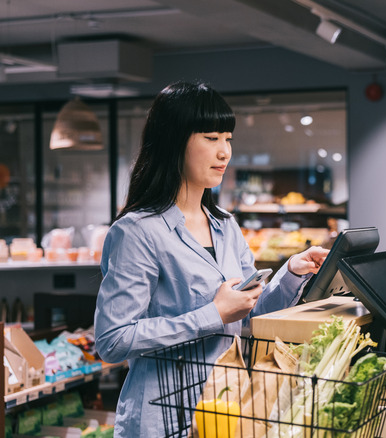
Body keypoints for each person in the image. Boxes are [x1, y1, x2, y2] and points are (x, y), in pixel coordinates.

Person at [94, 81, 329, 437]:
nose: (224, 153)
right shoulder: (137, 232)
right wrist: (212, 315)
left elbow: (251, 312)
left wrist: (292, 272)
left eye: (228, 138)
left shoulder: (225, 226)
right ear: (174, 141)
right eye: (210, 138)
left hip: (223, 408)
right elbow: (112, 339)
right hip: (161, 417)